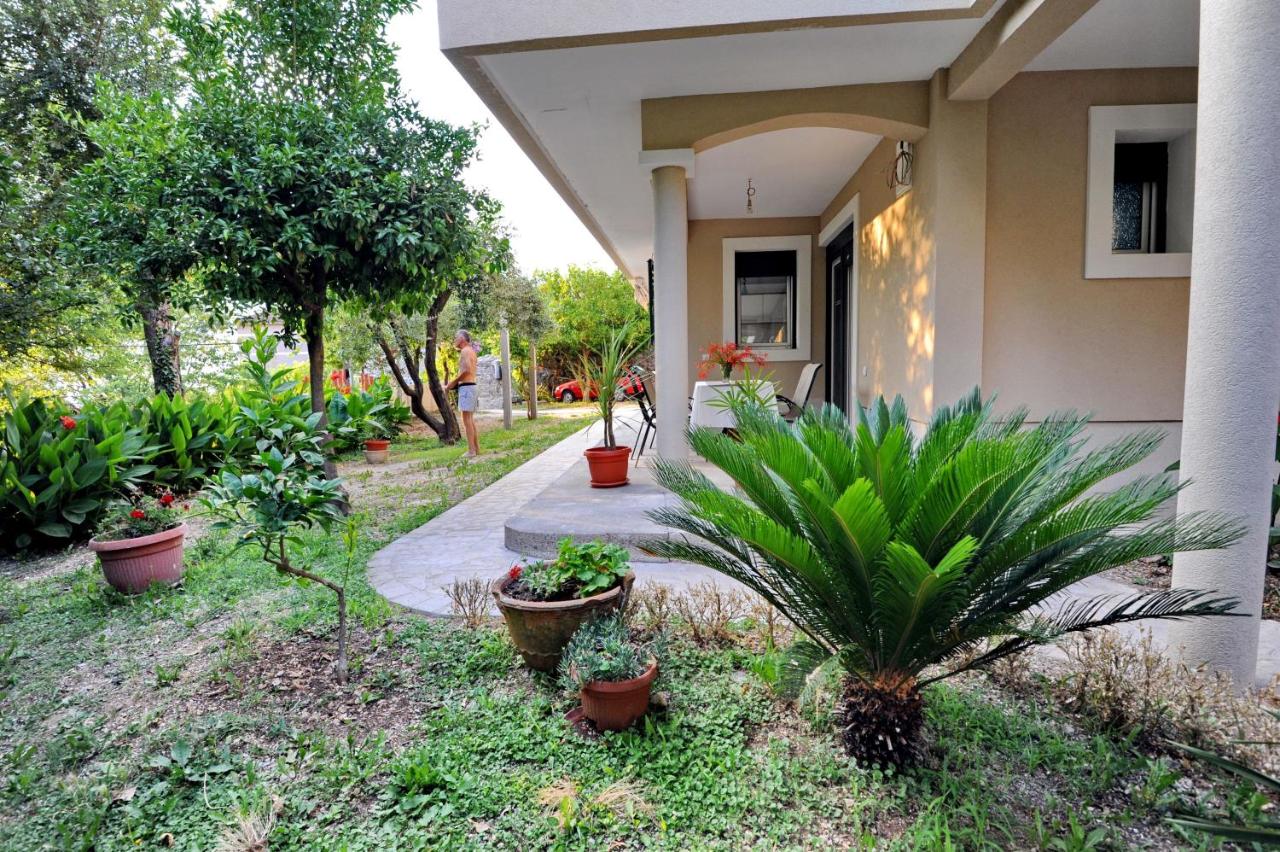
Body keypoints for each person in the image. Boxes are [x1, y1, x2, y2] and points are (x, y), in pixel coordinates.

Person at [446, 329, 481, 457]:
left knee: (466, 420)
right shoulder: (470, 351)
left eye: (456, 337)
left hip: (467, 387)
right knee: (469, 420)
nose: (454, 339)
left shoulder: (465, 351)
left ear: (462, 339)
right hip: (470, 386)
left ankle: (471, 451)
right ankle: (476, 449)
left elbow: (466, 370)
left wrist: (452, 383)